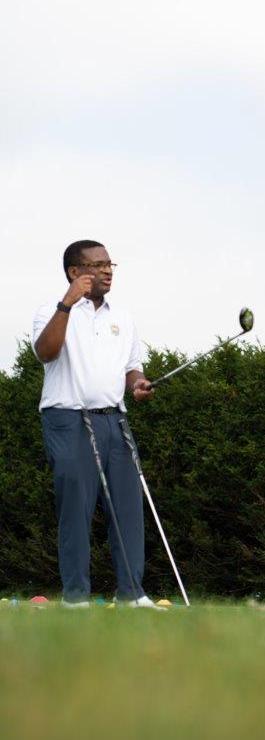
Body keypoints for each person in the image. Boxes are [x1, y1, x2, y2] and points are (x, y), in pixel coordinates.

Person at [33, 240, 160, 609]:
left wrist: (137, 383)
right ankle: (75, 598)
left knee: (128, 509)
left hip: (114, 419)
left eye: (110, 264)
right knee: (76, 509)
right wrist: (67, 304)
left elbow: (131, 368)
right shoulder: (50, 310)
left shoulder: (124, 318)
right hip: (67, 418)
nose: (107, 271)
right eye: (98, 264)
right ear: (75, 272)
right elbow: (46, 352)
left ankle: (132, 594)